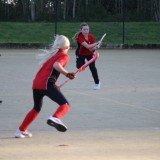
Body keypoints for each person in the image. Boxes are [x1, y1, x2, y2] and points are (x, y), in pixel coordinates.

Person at [15, 35, 76, 138]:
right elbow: (56, 65)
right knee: (65, 105)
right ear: (68, 47)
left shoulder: (53, 55)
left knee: (36, 108)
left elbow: (48, 73)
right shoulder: (64, 56)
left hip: (37, 84)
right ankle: (55, 118)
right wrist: (67, 74)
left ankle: (21, 130)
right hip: (46, 84)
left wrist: (54, 86)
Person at [73, 22, 101, 90]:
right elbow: (88, 46)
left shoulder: (91, 36)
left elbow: (91, 49)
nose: (86, 31)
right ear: (81, 30)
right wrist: (96, 43)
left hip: (89, 54)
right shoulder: (79, 37)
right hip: (80, 54)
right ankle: (84, 63)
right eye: (84, 29)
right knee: (79, 67)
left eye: (87, 29)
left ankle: (97, 83)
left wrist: (96, 47)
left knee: (93, 68)